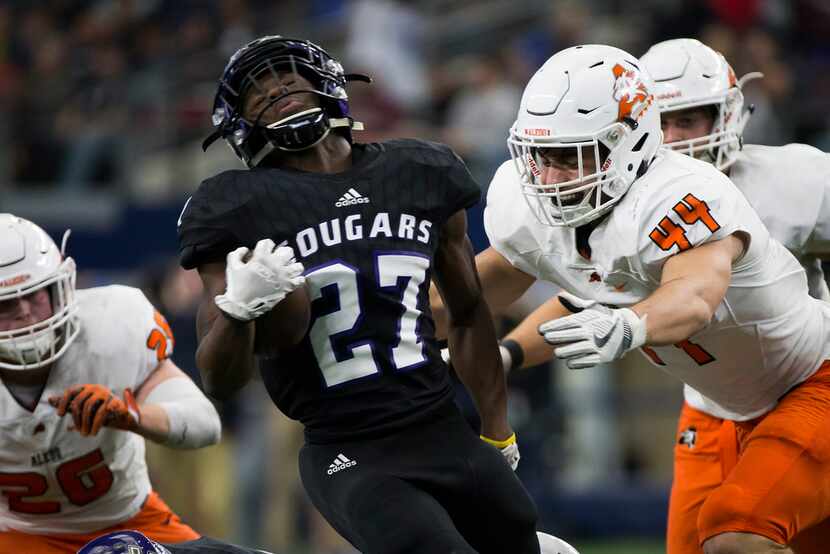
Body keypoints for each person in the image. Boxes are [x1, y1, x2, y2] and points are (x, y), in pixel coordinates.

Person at [435, 43, 830, 553]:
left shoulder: (688, 193)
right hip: (715, 404)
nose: (550, 179)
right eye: (543, 157)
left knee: (736, 537)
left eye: (570, 157)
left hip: (809, 378)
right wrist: (381, 317)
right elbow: (474, 294)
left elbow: (692, 296)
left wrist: (629, 327)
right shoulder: (558, 207)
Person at [177, 35, 547, 554]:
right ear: (240, 125)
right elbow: (220, 378)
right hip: (347, 448)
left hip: (440, 426)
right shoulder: (235, 204)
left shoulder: (419, 171)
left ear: (330, 83)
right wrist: (238, 313)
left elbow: (466, 312)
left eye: (288, 76)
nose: (275, 89)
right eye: (256, 92)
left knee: (520, 537)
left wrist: (497, 428)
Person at [0, 215, 222, 553]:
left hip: (130, 521)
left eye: (37, 293)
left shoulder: (112, 326)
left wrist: (132, 415)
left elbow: (204, 423)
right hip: (19, 534)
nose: (27, 312)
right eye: (6, 303)